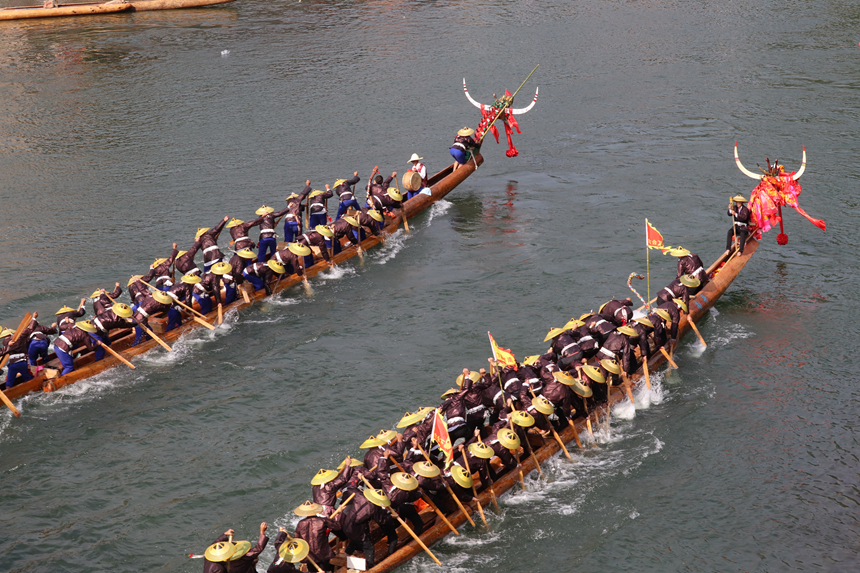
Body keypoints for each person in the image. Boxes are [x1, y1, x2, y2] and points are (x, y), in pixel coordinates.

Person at [294, 501, 342, 572]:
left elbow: (297, 540)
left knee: (312, 571)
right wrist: (340, 513)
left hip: (309, 555)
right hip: (323, 553)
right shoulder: (323, 521)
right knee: (325, 569)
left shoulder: (300, 524)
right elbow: (338, 527)